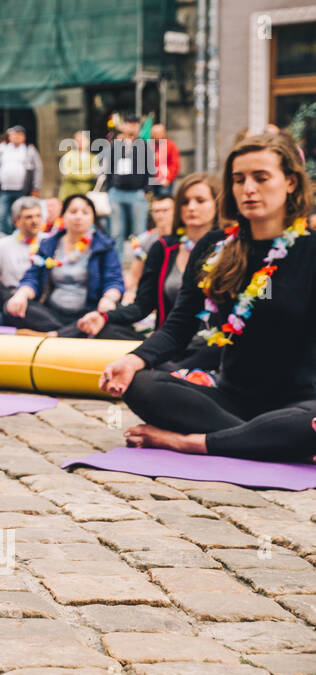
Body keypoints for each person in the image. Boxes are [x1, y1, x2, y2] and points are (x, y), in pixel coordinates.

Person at [101, 132, 316, 463]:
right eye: (239, 179)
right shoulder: (215, 247)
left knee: (306, 423)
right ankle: (263, 440)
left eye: (261, 178)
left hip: (300, 401)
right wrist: (133, 359)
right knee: (141, 384)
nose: (248, 189)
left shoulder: (310, 249)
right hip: (230, 399)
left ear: (290, 182)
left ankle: (192, 443)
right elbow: (179, 326)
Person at [70, 172, 220, 351]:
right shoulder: (162, 247)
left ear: (217, 204)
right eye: (185, 202)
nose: (191, 207)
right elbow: (142, 305)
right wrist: (105, 316)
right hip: (168, 344)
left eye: (200, 201)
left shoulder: (230, 246)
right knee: (106, 329)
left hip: (213, 345)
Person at [4, 194, 125, 333]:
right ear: (63, 216)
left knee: (109, 322)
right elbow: (33, 277)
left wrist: (108, 298)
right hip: (51, 314)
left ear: (93, 218)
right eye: (73, 212)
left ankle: (62, 333)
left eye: (85, 213)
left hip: (89, 313)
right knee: (10, 308)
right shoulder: (49, 244)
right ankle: (72, 332)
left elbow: (114, 281)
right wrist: (21, 295)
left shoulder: (104, 246)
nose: (78, 217)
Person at [0, 196, 46, 315]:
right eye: (29, 217)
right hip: (12, 302)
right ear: (16, 221)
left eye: (38, 216)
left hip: (43, 303)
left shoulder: (49, 243)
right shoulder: (1, 246)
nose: (35, 221)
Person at [106, 115, 155, 245]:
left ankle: (140, 261)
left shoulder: (144, 146)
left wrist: (147, 189)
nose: (132, 127)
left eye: (135, 124)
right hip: (117, 192)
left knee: (140, 231)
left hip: (137, 192)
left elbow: (151, 169)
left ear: (139, 127)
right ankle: (116, 263)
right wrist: (109, 188)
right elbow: (108, 168)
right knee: (116, 231)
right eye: (129, 123)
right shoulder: (116, 145)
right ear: (124, 126)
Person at [0, 126, 41, 235]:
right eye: (14, 134)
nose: (16, 137)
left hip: (22, 190)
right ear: (9, 136)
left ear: (24, 137)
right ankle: (2, 237)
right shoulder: (2, 149)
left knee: (19, 216)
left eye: (19, 135)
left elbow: (37, 169)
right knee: (0, 215)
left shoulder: (29, 150)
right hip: (4, 189)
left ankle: (19, 235)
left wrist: (36, 187)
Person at [124, 194, 176, 295]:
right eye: (156, 211)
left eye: (165, 210)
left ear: (175, 211)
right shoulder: (144, 240)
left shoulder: (184, 238)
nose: (160, 215)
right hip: (151, 290)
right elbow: (133, 275)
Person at [59, 130, 98, 201]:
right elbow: (68, 173)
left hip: (86, 193)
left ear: (88, 141)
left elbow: (94, 173)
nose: (80, 142)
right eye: (77, 140)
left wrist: (78, 173)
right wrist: (87, 174)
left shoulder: (93, 158)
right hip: (69, 193)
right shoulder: (68, 156)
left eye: (82, 140)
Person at [150, 123, 180, 199]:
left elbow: (175, 164)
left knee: (165, 199)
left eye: (159, 133)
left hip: (165, 181)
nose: (157, 135)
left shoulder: (170, 145)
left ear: (163, 133)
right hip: (152, 180)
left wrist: (168, 179)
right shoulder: (149, 145)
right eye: (155, 133)